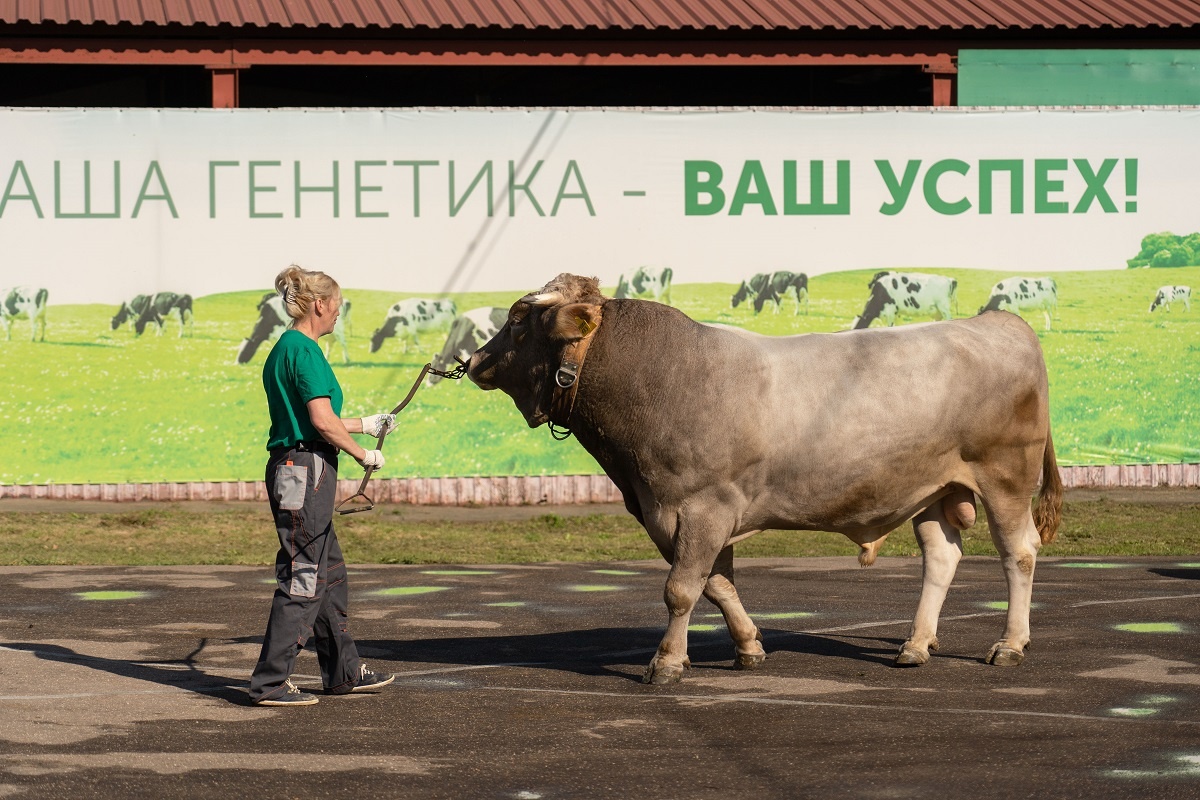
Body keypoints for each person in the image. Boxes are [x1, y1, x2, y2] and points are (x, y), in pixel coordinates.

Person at [248, 265, 397, 707]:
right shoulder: (306, 351)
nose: (339, 312)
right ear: (319, 304)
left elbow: (318, 419)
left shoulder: (287, 349)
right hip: (305, 470)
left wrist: (366, 425)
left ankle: (343, 673)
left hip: (300, 465)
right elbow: (318, 422)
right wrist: (361, 453)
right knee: (305, 576)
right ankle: (270, 683)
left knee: (328, 575)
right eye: (337, 304)